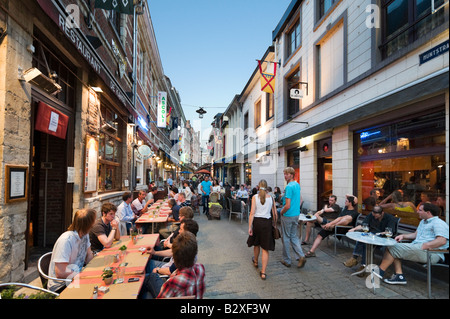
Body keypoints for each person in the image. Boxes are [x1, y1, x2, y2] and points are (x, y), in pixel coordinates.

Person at [376, 203, 449, 285]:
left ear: (428, 212)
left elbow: (442, 241)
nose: (417, 212)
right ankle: (399, 276)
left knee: (393, 248)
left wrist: (424, 246)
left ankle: (379, 272)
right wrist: (403, 236)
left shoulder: (438, 223)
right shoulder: (423, 221)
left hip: (431, 253)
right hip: (418, 248)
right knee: (393, 247)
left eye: (420, 210)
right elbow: (415, 235)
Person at [140, 219, 200, 299]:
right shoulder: (190, 247)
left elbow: (170, 272)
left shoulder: (173, 282)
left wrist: (158, 270)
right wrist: (155, 253)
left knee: (148, 278)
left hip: (167, 278)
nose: (178, 231)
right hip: (174, 276)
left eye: (181, 229)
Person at [48, 208, 96, 292]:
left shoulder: (85, 235)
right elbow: (60, 273)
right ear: (88, 225)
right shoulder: (66, 240)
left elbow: (89, 255)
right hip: (62, 285)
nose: (94, 223)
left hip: (76, 278)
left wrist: (91, 271)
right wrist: (83, 275)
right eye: (93, 221)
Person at [343, 205, 398, 273]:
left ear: (382, 213)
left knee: (366, 243)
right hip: (371, 235)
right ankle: (356, 259)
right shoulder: (371, 215)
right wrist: (354, 229)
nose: (374, 217)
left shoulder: (390, 218)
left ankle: (362, 264)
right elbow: (363, 225)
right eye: (373, 215)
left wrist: (378, 234)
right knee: (362, 240)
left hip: (382, 238)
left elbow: (389, 231)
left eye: (376, 216)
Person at [156, 231, 205, 299]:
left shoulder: (172, 283)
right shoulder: (200, 268)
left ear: (174, 256)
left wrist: (158, 270)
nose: (179, 230)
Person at [247, 180, 278, 280]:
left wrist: (249, 227)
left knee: (256, 243)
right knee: (265, 248)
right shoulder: (271, 198)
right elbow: (275, 214)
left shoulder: (255, 197)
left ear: (258, 187)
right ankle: (263, 272)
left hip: (257, 222)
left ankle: (256, 261)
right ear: (267, 187)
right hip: (267, 223)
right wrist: (274, 223)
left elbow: (252, 213)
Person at [279, 167, 306, 268]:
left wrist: (281, 212)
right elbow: (299, 200)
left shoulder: (289, 187)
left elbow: (287, 205)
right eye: (284, 174)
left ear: (291, 175)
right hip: (296, 214)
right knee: (294, 236)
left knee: (286, 237)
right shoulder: (297, 185)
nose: (285, 176)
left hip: (288, 215)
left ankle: (287, 260)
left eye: (286, 174)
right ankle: (301, 255)